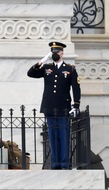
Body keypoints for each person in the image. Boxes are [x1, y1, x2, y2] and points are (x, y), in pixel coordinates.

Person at [27, 40, 81, 170]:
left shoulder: (70, 69)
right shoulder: (47, 68)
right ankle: (55, 163)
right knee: (52, 136)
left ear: (62, 53)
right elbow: (31, 73)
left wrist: (76, 105)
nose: (54, 53)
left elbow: (76, 88)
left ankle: (64, 163)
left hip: (63, 107)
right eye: (52, 52)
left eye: (57, 51)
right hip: (50, 106)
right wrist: (42, 61)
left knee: (64, 136)